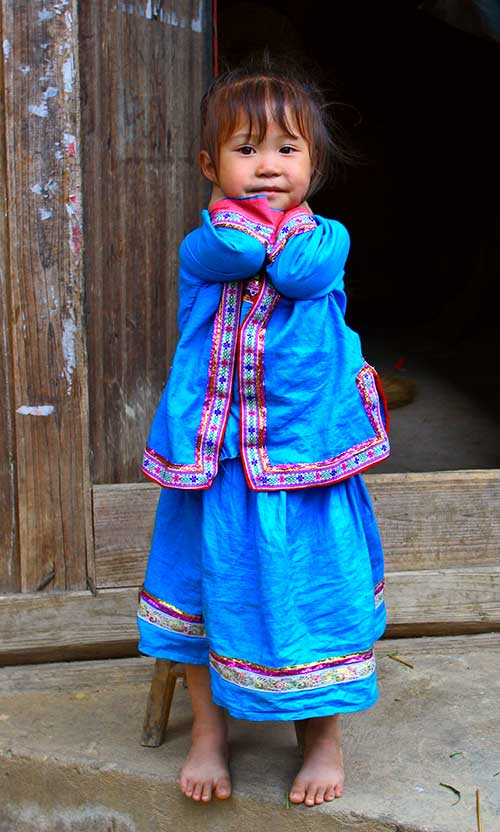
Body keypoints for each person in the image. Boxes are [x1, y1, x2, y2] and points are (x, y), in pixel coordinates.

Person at [136, 62, 390, 808]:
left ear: (315, 164)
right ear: (209, 168)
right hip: (219, 467)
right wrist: (240, 214)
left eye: (287, 150)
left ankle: (321, 738)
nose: (268, 166)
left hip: (304, 466)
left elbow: (303, 270)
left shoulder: (326, 242)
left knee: (312, 593)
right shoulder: (205, 246)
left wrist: (266, 216)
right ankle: (208, 732)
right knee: (201, 587)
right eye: (245, 150)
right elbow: (239, 253)